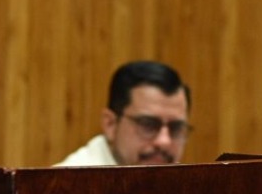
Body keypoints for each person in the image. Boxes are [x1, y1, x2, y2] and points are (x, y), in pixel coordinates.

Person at [57, 60, 191, 166]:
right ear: (110, 124)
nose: (164, 141)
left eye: (176, 128)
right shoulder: (66, 191)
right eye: (148, 125)